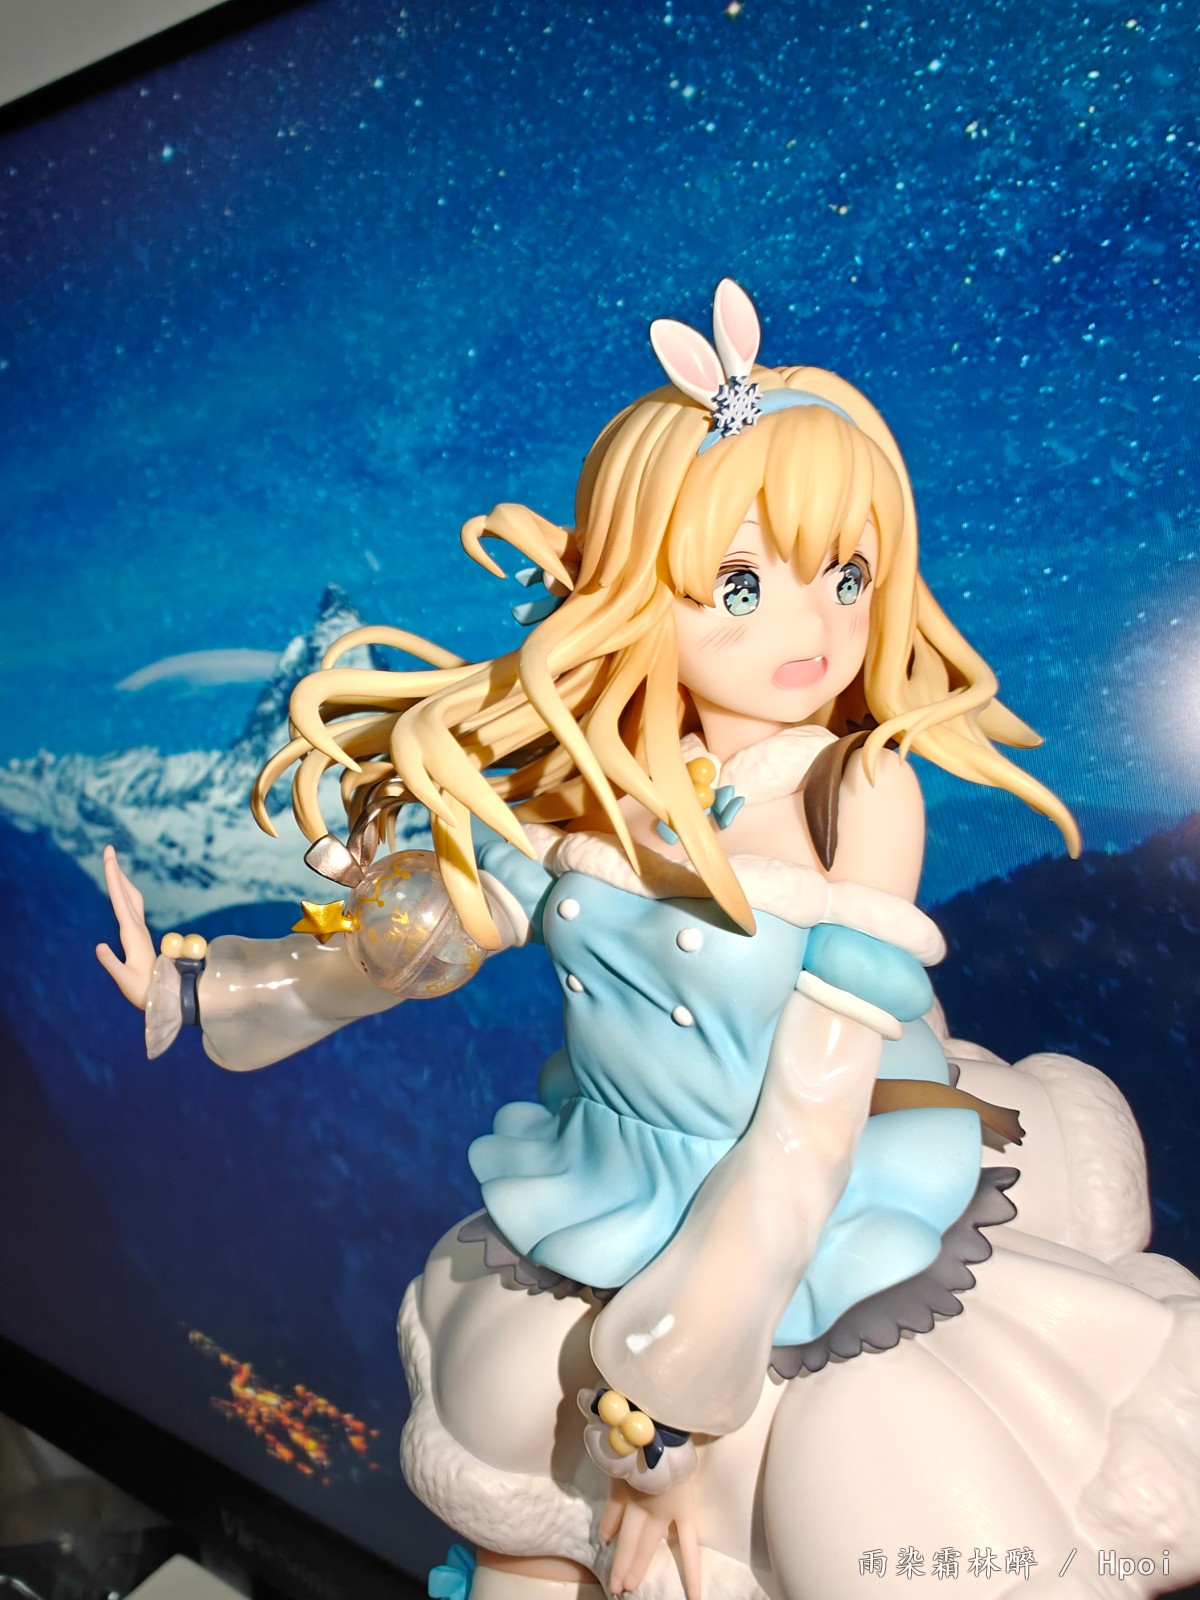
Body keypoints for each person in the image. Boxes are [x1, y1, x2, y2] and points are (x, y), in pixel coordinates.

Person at [99, 281, 1200, 1599]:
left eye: (847, 576)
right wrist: (211, 981)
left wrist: (677, 1389)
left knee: (852, 1519)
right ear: (633, 587)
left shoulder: (857, 793)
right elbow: (426, 938)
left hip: (811, 1211)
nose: (812, 627)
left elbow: (809, 1120)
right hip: (615, 1181)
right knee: (512, 1470)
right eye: (741, 582)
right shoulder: (599, 776)